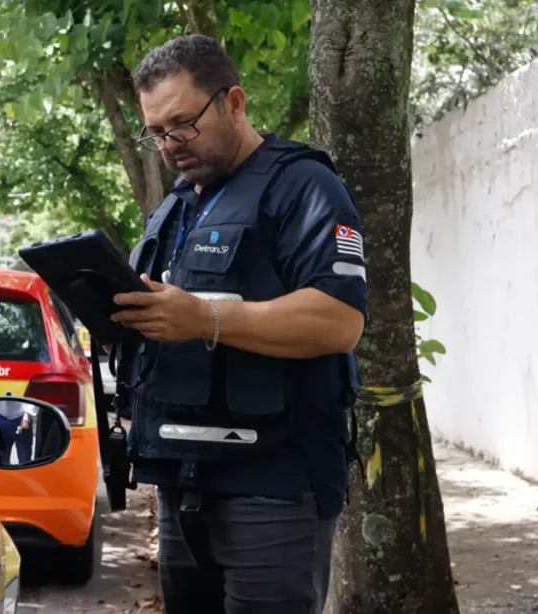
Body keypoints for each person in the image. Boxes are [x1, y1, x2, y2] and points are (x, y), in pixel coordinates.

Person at [109, 34, 367, 614]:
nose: (170, 144)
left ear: (233, 103)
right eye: (157, 131)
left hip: (273, 483)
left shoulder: (303, 187)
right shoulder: (175, 209)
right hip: (181, 479)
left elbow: (339, 319)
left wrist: (205, 317)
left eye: (183, 123)